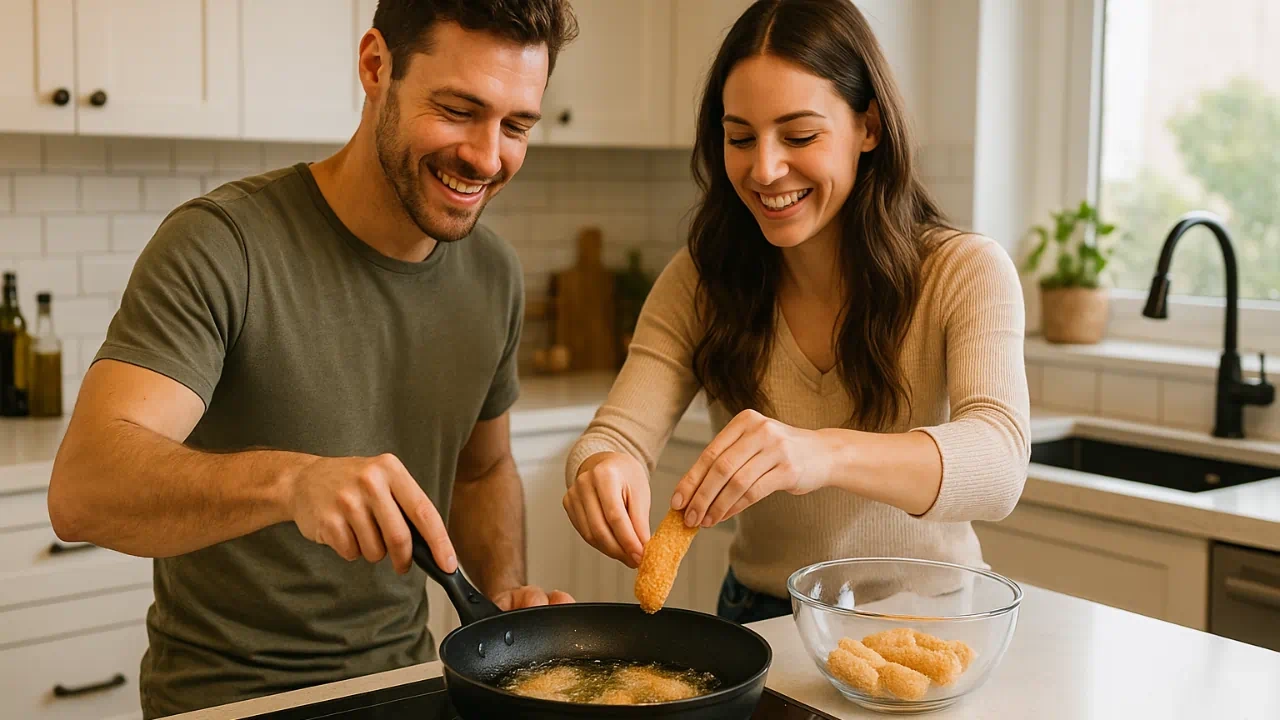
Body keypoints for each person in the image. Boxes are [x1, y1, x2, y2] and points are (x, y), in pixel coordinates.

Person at [45, 1, 578, 716]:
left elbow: (482, 470)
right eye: (458, 110)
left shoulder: (494, 274)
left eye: (516, 127)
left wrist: (501, 598)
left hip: (403, 685)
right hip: (229, 700)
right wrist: (293, 483)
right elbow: (83, 491)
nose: (487, 157)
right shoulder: (222, 245)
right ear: (375, 66)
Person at [562, 0, 1030, 625]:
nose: (765, 168)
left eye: (800, 135)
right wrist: (603, 468)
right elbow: (613, 437)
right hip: (761, 620)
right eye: (740, 138)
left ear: (869, 127)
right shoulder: (701, 279)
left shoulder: (963, 270)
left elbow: (999, 464)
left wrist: (821, 455)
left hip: (927, 624)